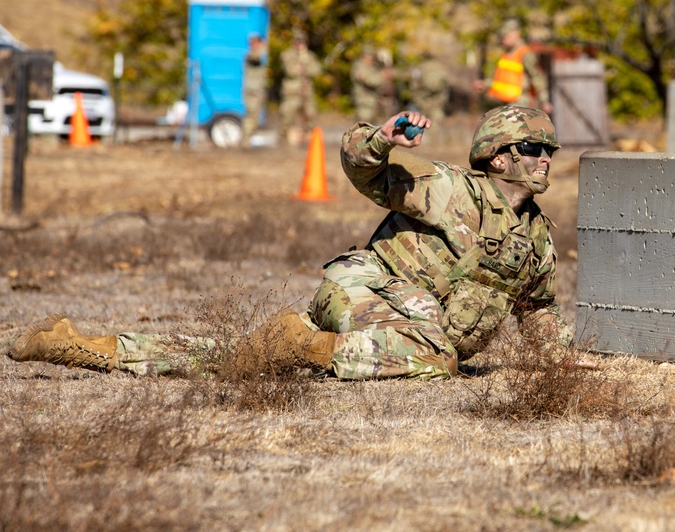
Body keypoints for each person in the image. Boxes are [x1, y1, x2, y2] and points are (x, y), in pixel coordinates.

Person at [7, 106, 582, 380]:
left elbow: (538, 314)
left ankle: (83, 345)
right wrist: (379, 138)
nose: (546, 159)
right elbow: (366, 173)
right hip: (365, 293)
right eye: (535, 149)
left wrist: (562, 372)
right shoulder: (454, 191)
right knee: (438, 353)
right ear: (500, 156)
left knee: (230, 363)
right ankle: (307, 343)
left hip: (391, 330)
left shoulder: (535, 239)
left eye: (551, 151)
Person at [474, 19, 552, 114]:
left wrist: (544, 101)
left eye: (506, 36)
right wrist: (486, 85)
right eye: (502, 36)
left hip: (519, 103)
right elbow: (503, 81)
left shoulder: (525, 53)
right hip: (503, 102)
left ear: (516, 33)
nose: (503, 39)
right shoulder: (506, 54)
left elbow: (537, 77)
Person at [279, 28, 322, 147]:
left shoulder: (309, 56)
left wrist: (303, 64)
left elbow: (317, 70)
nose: (300, 44)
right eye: (298, 41)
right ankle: (282, 142)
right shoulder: (287, 54)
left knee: (311, 116)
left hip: (306, 92)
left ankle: (308, 143)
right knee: (286, 118)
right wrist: (301, 67)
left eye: (302, 42)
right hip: (291, 92)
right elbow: (290, 71)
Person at [408, 52, 450, 123]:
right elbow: (446, 81)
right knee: (437, 119)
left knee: (419, 120)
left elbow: (414, 82)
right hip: (437, 99)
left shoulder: (420, 67)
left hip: (423, 99)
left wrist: (415, 93)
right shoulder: (440, 66)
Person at [350, 46, 387, 124]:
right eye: (370, 55)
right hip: (364, 102)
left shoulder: (370, 66)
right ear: (365, 55)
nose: (371, 57)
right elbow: (370, 81)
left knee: (372, 129)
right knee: (363, 128)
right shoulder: (360, 67)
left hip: (372, 102)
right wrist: (382, 76)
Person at [242, 33, 268, 141]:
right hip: (251, 90)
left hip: (257, 90)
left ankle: (250, 138)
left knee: (255, 117)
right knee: (251, 116)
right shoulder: (250, 55)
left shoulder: (255, 53)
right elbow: (257, 58)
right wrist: (263, 47)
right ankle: (246, 139)